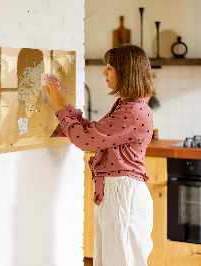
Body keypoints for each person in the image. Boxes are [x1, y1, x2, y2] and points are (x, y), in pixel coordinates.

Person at [43, 44, 155, 266]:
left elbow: (86, 141)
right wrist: (65, 104)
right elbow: (94, 133)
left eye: (110, 67)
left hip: (123, 195)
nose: (104, 72)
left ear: (126, 72)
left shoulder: (132, 111)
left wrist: (57, 107)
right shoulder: (128, 106)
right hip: (118, 193)